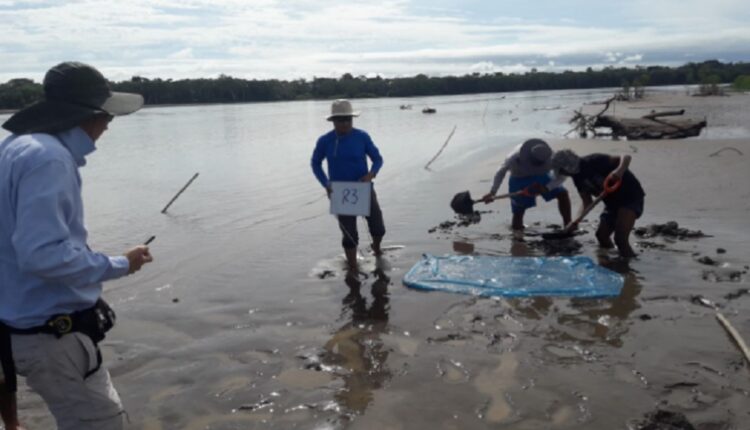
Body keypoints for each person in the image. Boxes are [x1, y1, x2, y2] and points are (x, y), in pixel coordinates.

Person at [0, 61, 153, 430]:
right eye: (107, 117)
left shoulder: (14, 148)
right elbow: (43, 255)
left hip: (17, 326)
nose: (108, 126)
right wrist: (120, 263)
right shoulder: (49, 158)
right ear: (87, 115)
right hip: (50, 334)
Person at [311, 99, 385, 275]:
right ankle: (353, 267)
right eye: (340, 120)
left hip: (364, 188)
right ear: (333, 121)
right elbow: (315, 163)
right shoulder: (325, 141)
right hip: (340, 192)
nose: (345, 123)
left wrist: (372, 174)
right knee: (350, 235)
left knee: (378, 227)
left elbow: (378, 159)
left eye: (348, 119)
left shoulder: (362, 137)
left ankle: (376, 248)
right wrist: (326, 184)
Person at [551, 149, 645, 258]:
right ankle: (612, 260)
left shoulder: (594, 160)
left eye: (561, 170)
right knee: (602, 236)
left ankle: (629, 270)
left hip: (630, 196)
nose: (562, 174)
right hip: (612, 203)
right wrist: (575, 222)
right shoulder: (577, 178)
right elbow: (587, 202)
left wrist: (619, 170)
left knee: (620, 239)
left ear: (567, 167)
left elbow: (626, 157)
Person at [482, 138, 571, 230]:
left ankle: (569, 225)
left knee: (562, 194)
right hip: (519, 178)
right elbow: (501, 172)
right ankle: (518, 235)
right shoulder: (513, 157)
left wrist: (547, 187)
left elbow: (562, 176)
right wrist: (493, 192)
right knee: (519, 210)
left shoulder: (549, 155)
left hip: (542, 175)